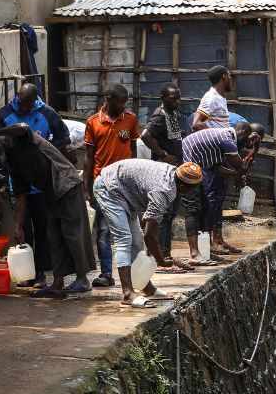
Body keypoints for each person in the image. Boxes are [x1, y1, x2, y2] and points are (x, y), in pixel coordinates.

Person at [0, 123, 95, 298]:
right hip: (50, 192)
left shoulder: (23, 140)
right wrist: (18, 226)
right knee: (54, 237)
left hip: (66, 183)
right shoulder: (12, 164)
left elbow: (22, 127)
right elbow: (20, 195)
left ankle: (82, 279)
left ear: (3, 143)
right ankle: (57, 283)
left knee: (72, 233)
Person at [92, 158, 202, 305]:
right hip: (109, 188)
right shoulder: (163, 191)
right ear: (182, 187)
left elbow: (148, 228)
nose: (193, 192)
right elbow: (149, 236)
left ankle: (147, 288)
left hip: (126, 192)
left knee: (137, 242)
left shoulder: (173, 173)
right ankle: (127, 293)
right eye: (192, 189)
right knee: (123, 239)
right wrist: (161, 261)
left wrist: (157, 254)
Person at [0, 83, 69, 288]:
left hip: (41, 184)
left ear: (34, 100)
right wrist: (3, 177)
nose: (23, 106)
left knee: (42, 229)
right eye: (21, 102)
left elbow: (63, 137)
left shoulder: (47, 113)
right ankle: (27, 273)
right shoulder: (5, 113)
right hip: (17, 179)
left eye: (27, 103)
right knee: (22, 230)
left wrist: (46, 154)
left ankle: (40, 273)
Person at [84, 83, 139, 288]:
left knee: (131, 231)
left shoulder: (130, 119)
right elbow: (89, 158)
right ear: (109, 99)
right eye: (121, 102)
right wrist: (87, 188)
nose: (124, 106)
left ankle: (135, 271)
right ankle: (106, 273)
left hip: (126, 184)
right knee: (104, 230)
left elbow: (133, 151)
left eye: (126, 102)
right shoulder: (93, 122)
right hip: (102, 185)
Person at [182, 122, 264, 260]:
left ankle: (206, 249)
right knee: (194, 210)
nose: (246, 146)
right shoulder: (227, 141)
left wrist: (236, 173)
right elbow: (241, 167)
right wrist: (255, 149)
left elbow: (216, 168)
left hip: (194, 166)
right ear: (243, 133)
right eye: (246, 142)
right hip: (186, 166)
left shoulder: (225, 139)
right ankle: (195, 253)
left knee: (205, 207)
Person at [139, 83, 189, 269]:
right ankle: (162, 255)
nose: (177, 101)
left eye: (178, 98)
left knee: (171, 213)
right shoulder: (160, 116)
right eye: (173, 98)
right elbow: (145, 135)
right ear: (163, 98)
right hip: (163, 171)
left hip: (174, 170)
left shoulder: (173, 114)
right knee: (165, 214)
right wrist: (162, 155)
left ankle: (164, 253)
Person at [193, 66, 233, 131]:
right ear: (224, 77)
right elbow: (196, 124)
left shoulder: (220, 97)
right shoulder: (211, 98)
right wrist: (217, 134)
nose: (231, 80)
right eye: (229, 76)